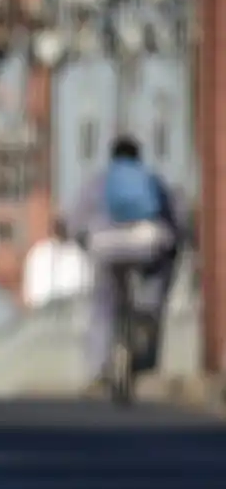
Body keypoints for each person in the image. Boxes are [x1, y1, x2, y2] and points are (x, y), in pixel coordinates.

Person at [66, 134, 180, 390]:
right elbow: (175, 220)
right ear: (138, 156)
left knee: (102, 305)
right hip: (146, 243)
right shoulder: (151, 178)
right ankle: (147, 315)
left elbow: (75, 222)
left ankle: (98, 368)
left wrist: (85, 245)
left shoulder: (98, 181)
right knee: (156, 279)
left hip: (105, 245)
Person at [21, 217, 91, 310]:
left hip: (71, 310)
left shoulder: (77, 253)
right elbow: (31, 295)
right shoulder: (39, 253)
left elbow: (84, 287)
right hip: (43, 312)